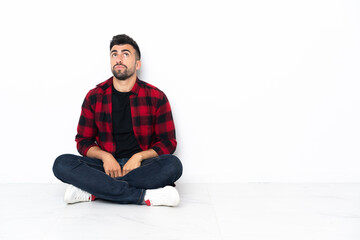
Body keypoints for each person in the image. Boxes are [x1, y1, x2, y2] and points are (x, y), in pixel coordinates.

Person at [52, 34, 183, 207]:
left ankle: (94, 190)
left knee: (173, 165)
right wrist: (105, 157)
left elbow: (168, 143)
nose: (118, 59)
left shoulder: (156, 97)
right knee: (61, 164)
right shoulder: (94, 96)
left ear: (137, 64)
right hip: (105, 167)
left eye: (125, 54)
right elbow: (83, 141)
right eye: (114, 54)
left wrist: (138, 157)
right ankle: (143, 197)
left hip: (141, 167)